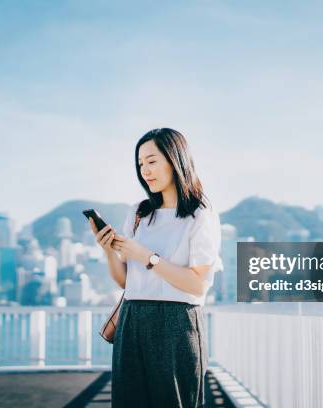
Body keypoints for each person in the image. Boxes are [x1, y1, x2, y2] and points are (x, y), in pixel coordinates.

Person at [88, 128, 223, 407]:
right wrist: (109, 252)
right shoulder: (139, 213)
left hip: (176, 323)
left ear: (175, 160)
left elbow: (198, 284)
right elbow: (125, 281)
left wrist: (148, 257)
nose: (145, 171)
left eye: (151, 161)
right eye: (140, 164)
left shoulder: (200, 214)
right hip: (132, 320)